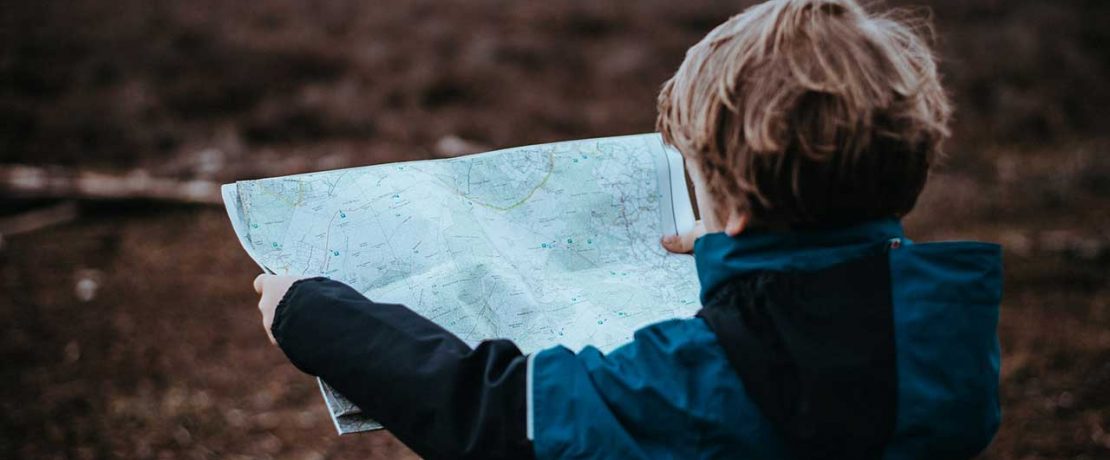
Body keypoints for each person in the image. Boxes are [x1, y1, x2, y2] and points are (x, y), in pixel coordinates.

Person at [252, 0, 1003, 458]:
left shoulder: (703, 377)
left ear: (734, 203)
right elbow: (830, 302)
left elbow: (497, 416)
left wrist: (311, 313)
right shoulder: (950, 342)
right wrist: (733, 252)